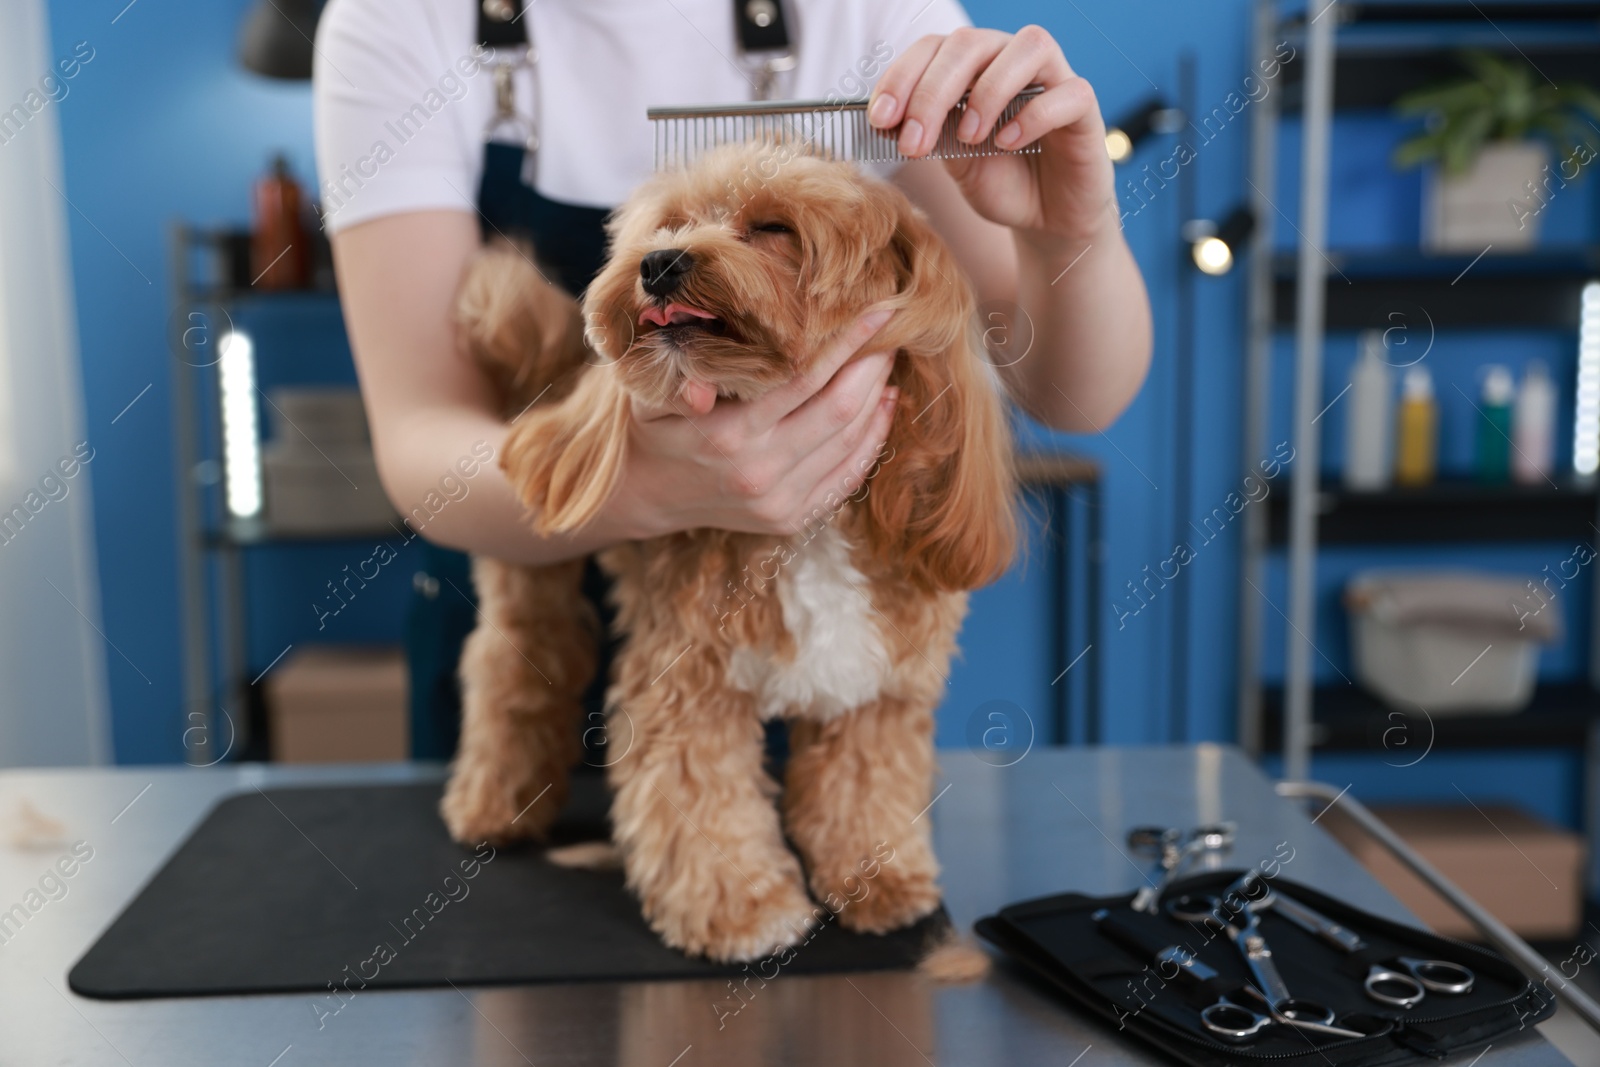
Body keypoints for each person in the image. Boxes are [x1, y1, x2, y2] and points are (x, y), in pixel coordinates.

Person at [313, 0, 1152, 755]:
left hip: (836, 644)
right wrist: (633, 484)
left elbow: (1073, 393)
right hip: (524, 613)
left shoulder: (872, 16)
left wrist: (1067, 232)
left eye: (768, 231)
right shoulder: (400, 20)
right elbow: (422, 443)